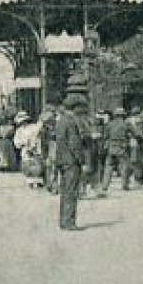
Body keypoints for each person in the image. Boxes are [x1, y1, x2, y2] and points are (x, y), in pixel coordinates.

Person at [55, 96, 88, 230]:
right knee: (71, 191)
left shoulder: (61, 121)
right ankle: (69, 221)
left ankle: (63, 220)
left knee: (64, 191)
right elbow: (75, 144)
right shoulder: (71, 122)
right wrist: (82, 160)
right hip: (71, 161)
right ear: (75, 108)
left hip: (61, 160)